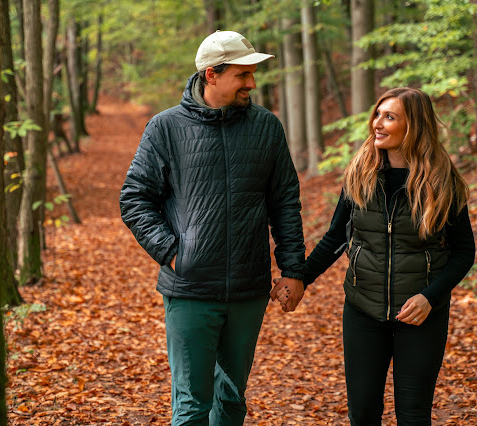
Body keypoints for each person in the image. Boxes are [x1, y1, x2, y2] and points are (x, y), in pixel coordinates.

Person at [119, 30, 306, 425]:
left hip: (248, 289)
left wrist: (293, 271)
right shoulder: (165, 128)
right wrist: (171, 252)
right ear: (211, 75)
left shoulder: (266, 127)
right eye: (243, 74)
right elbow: (135, 198)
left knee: (233, 398)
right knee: (191, 404)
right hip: (189, 289)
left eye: (253, 74)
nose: (252, 83)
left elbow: (285, 202)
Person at [272, 87, 475, 425]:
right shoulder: (360, 175)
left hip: (420, 316)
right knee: (363, 413)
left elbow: (464, 252)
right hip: (362, 311)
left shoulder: (442, 182)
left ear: (414, 126)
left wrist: (429, 297)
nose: (377, 124)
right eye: (377, 115)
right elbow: (336, 238)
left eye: (389, 117)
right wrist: (299, 278)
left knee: (413, 415)